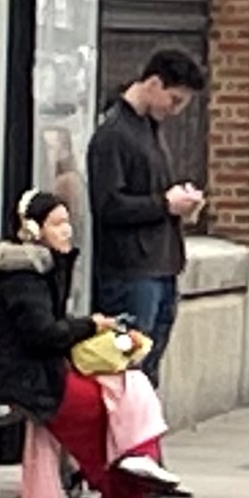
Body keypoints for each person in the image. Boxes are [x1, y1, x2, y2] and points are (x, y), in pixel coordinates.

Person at [0, 190, 184, 498]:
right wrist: (91, 325)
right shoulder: (24, 277)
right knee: (95, 415)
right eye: (58, 224)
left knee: (129, 385)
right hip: (19, 375)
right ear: (33, 230)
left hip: (39, 370)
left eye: (68, 223)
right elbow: (43, 334)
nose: (67, 231)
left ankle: (139, 467)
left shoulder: (44, 269)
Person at [87, 45, 210, 357]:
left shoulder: (148, 128)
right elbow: (108, 204)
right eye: (174, 99)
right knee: (130, 361)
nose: (176, 110)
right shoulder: (114, 133)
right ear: (154, 84)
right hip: (131, 269)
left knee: (148, 361)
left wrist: (179, 202)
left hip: (160, 263)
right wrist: (164, 205)